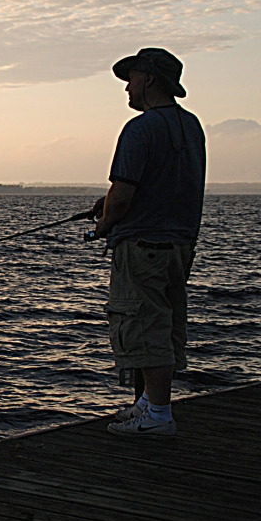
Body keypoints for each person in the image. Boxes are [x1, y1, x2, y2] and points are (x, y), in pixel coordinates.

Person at [91, 47, 206, 438]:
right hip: (180, 246)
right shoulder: (192, 127)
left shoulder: (139, 129)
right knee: (167, 322)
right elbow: (165, 184)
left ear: (150, 79)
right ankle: (148, 404)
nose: (127, 88)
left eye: (132, 79)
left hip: (142, 247)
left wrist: (104, 222)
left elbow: (122, 196)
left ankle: (157, 415)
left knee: (143, 325)